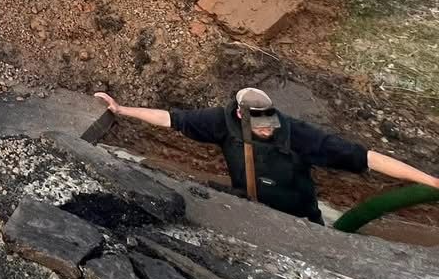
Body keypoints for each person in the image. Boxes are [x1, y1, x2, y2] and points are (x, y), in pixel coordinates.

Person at [95, 87, 439, 224]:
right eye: (258, 125)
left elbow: (367, 158)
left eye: (269, 123)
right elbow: (172, 119)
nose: (266, 130)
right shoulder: (222, 121)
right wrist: (122, 110)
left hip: (301, 219)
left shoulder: (298, 134)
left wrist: (430, 181)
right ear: (240, 115)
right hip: (251, 211)